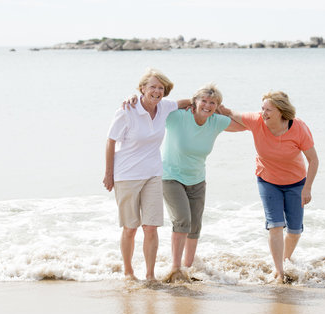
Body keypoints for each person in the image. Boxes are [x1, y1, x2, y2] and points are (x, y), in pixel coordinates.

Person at [220, 91, 319, 283]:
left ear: (281, 111)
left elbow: (313, 160)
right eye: (262, 109)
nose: (263, 113)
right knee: (275, 225)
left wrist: (307, 188)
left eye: (269, 110)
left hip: (296, 183)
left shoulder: (298, 128)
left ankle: (286, 258)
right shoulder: (257, 121)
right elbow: (231, 114)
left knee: (295, 230)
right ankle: (279, 271)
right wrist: (215, 111)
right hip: (268, 180)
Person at [103, 68, 189, 281]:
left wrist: (213, 106)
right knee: (130, 228)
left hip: (153, 174)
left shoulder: (164, 107)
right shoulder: (127, 110)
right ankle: (128, 272)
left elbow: (186, 103)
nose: (157, 91)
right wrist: (109, 173)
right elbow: (111, 141)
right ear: (142, 88)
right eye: (152, 87)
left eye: (161, 88)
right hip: (127, 176)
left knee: (151, 227)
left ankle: (150, 276)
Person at [161, 84, 245, 282]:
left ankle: (188, 268)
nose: (207, 106)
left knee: (195, 225)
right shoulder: (177, 117)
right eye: (204, 101)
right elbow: (155, 109)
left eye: (213, 103)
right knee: (182, 220)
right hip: (170, 176)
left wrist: (227, 111)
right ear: (195, 102)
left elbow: (246, 126)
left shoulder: (216, 121)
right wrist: (181, 103)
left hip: (197, 179)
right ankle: (175, 268)